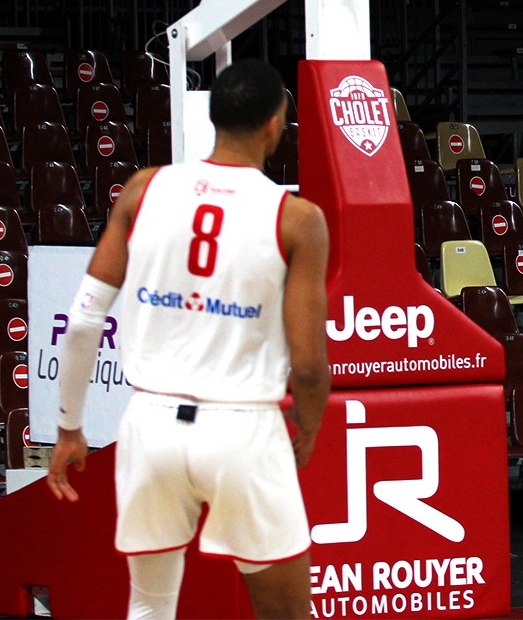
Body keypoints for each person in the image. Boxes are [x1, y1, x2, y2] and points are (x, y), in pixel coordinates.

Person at [46, 60, 331, 620]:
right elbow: (308, 365)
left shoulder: (144, 188)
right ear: (275, 125)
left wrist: (70, 427)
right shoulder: (296, 218)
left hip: (150, 425)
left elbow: (82, 322)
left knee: (150, 607)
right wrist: (311, 424)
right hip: (241, 426)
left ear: (212, 118)